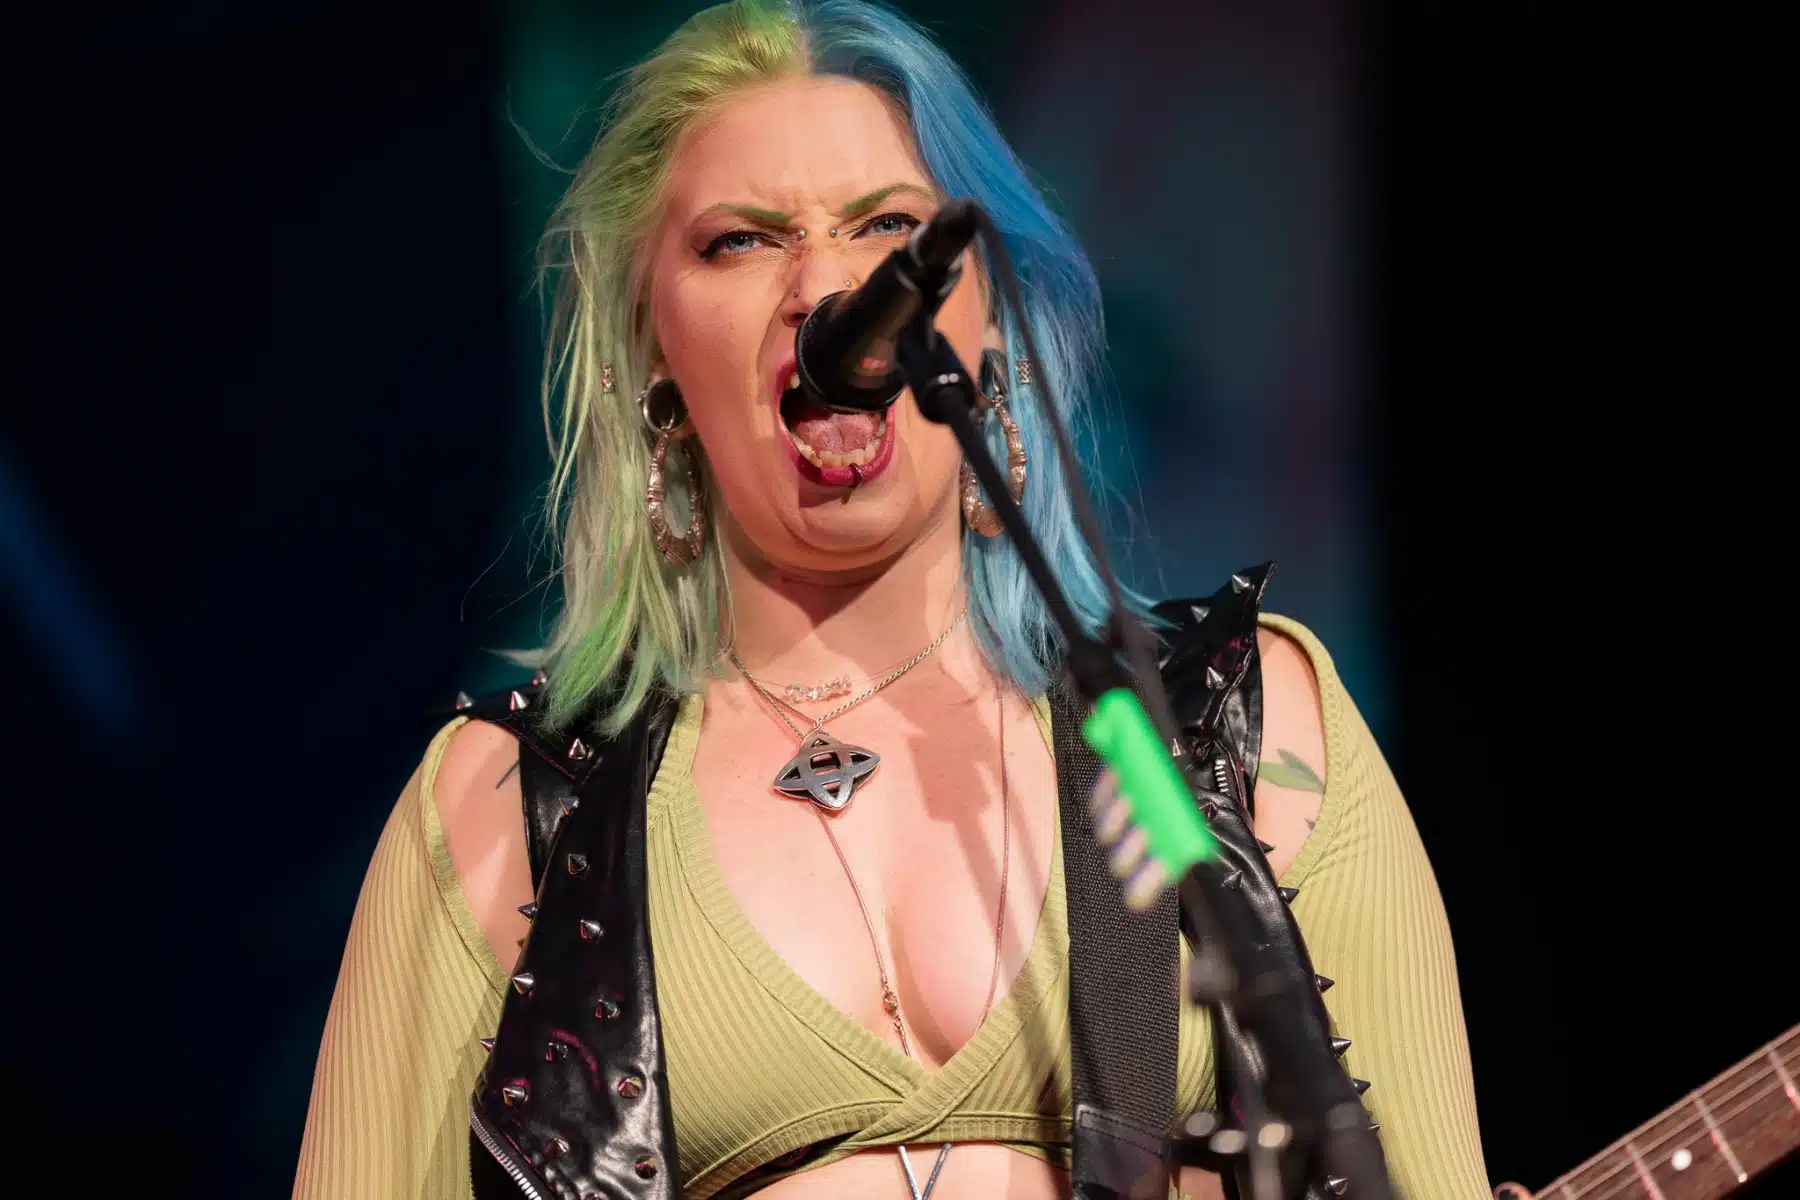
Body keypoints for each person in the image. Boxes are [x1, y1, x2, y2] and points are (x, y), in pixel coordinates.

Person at [291, 2, 1492, 1198]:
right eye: (740, 241)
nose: (825, 286)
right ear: (655, 351)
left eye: (887, 228)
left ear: (988, 321)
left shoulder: (1234, 730)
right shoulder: (507, 810)